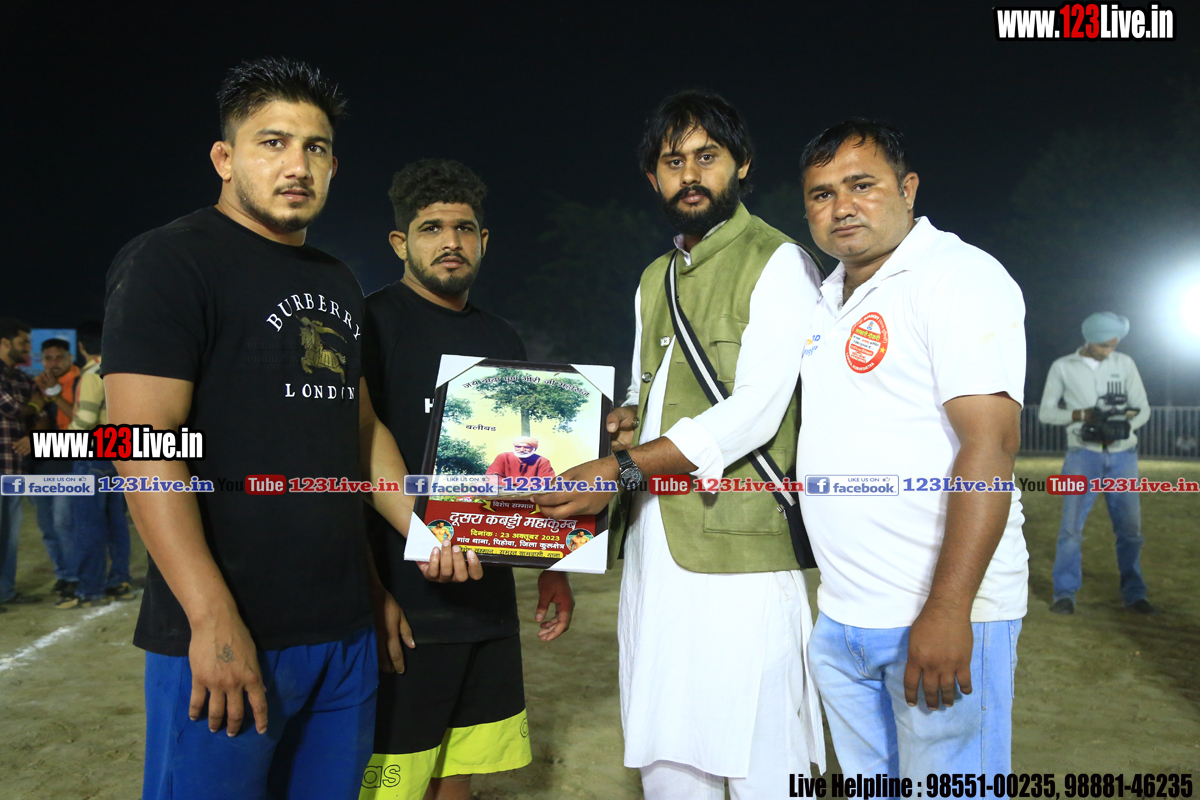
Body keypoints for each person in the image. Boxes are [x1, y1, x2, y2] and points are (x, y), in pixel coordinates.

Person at [101, 57, 416, 800]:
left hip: (343, 632)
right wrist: (209, 615)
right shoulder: (169, 260)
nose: (296, 165)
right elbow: (136, 443)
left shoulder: (338, 279)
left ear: (333, 167)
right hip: (229, 630)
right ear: (225, 157)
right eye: (272, 143)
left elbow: (356, 435)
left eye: (314, 148)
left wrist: (395, 564)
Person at [534, 90, 825, 798]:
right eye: (673, 162)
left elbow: (757, 411)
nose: (690, 175)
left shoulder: (778, 262)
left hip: (739, 553)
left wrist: (622, 466)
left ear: (742, 164)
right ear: (653, 177)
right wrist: (624, 423)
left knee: (763, 761)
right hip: (653, 556)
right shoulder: (652, 279)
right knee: (667, 759)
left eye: (707, 157)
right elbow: (651, 394)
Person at [796, 119, 1028, 778]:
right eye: (821, 194)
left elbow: (992, 444)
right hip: (844, 617)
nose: (842, 207)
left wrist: (949, 610)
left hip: (941, 614)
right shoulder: (825, 298)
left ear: (908, 188)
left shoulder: (956, 276)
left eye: (861, 185)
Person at [360, 159, 573, 800]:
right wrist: (373, 588)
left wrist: (553, 563)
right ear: (400, 242)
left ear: (484, 240)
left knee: (460, 771)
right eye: (431, 228)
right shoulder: (368, 326)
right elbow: (354, 455)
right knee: (394, 780)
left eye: (464, 229)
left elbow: (526, 465)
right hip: (406, 597)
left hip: (486, 598)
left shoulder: (500, 335)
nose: (450, 242)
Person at [1038, 312, 1152, 615]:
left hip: (1123, 455)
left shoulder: (1125, 364)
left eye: (1114, 345)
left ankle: (1135, 594)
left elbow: (1143, 409)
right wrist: (1079, 415)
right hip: (1082, 454)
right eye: (1104, 345)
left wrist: (1121, 429)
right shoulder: (1063, 366)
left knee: (1130, 530)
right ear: (1089, 340)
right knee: (1071, 529)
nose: (1109, 351)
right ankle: (1064, 594)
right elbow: (1046, 413)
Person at [54, 321, 136, 609]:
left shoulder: (92, 375)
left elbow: (86, 418)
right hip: (118, 453)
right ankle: (119, 581)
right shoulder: (121, 371)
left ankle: (90, 590)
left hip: (93, 454)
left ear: (81, 346)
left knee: (88, 525)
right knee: (117, 524)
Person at [0, 317, 44, 610]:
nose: (29, 347)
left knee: (10, 538)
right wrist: (36, 404)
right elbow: (13, 408)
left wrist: (31, 435)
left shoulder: (21, 378)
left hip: (14, 468)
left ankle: (5, 591)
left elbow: (41, 414)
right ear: (4, 343)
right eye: (23, 342)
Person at [32, 337, 80, 599]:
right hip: (39, 465)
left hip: (70, 462)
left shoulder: (81, 382)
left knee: (64, 523)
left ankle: (75, 576)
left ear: (70, 358)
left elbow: (83, 420)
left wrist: (55, 395)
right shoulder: (35, 384)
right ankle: (63, 574)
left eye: (59, 357)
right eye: (48, 358)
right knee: (47, 527)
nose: (53, 363)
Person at [485, 437, 555, 479]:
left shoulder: (542, 461)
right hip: (504, 495)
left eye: (527, 447)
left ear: (534, 449)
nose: (522, 450)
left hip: (531, 496)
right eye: (518, 447)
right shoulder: (503, 457)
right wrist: (514, 484)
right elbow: (491, 478)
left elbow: (547, 482)